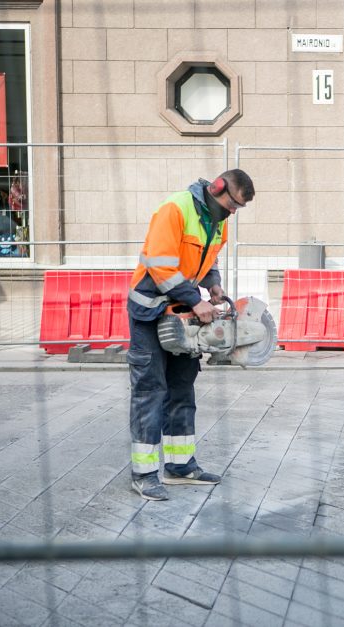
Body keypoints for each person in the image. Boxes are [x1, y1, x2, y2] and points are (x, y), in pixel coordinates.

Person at [127, 169, 255, 501]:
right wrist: (196, 301)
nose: (233, 212)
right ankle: (144, 474)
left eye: (238, 208)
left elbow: (208, 259)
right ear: (217, 188)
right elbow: (161, 267)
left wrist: (212, 284)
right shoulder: (176, 209)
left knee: (182, 389)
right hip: (151, 309)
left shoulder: (217, 220)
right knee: (150, 390)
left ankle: (180, 466)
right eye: (232, 204)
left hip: (183, 310)